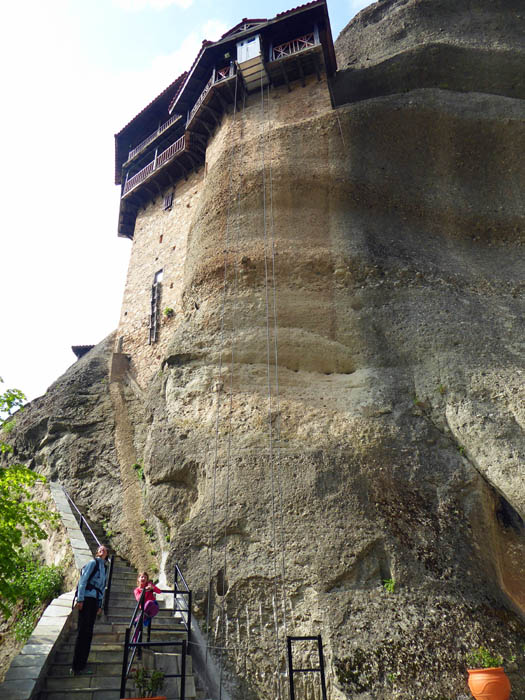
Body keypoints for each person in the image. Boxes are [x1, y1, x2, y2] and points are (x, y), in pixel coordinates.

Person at [70, 544, 109, 676]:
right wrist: (80, 599)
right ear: (97, 552)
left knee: (88, 632)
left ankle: (83, 664)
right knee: (82, 631)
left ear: (107, 553)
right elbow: (83, 580)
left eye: (104, 549)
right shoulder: (93, 563)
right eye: (100, 549)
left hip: (94, 601)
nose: (102, 550)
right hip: (87, 598)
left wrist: (100, 605)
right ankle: (75, 666)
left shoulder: (104, 568)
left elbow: (103, 588)